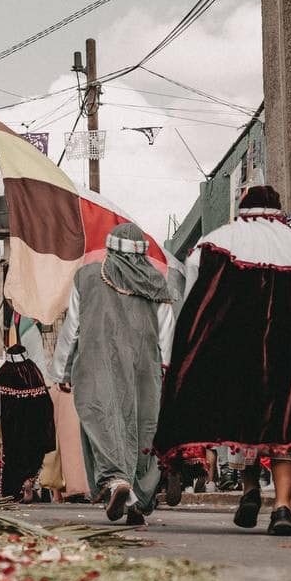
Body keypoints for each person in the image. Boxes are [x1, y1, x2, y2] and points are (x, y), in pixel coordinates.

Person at [157, 186, 291, 536]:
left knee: (245, 421)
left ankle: (250, 488)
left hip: (239, 353)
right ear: (279, 210)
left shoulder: (216, 242)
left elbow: (195, 302)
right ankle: (283, 506)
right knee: (286, 429)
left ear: (242, 209)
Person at [54, 223, 175, 526]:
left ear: (110, 246)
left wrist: (62, 370)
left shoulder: (88, 276)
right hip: (144, 367)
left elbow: (72, 328)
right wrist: (170, 370)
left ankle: (117, 482)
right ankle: (139, 499)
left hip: (96, 363)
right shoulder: (156, 281)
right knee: (144, 426)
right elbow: (167, 333)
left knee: (104, 421)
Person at [0, 344, 55, 502]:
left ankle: (13, 491)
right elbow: (47, 402)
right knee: (33, 454)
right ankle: (29, 480)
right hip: (36, 424)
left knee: (13, 458)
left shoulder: (5, 372)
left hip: (12, 425)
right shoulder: (33, 370)